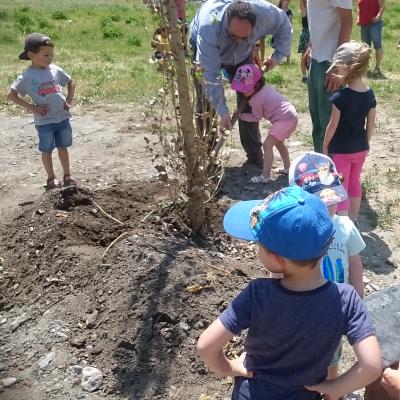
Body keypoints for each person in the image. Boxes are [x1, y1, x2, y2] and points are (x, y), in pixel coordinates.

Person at [197, 185, 381, 400]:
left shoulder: (258, 294)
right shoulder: (346, 300)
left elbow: (206, 346)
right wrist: (336, 388)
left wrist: (227, 368)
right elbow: (371, 364)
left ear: (276, 259)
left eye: (259, 245)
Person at [289, 152, 366, 382]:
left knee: (332, 356)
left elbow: (355, 267)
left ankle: (332, 390)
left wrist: (357, 302)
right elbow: (280, 270)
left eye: (331, 201)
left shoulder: (345, 227)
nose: (327, 209)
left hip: (335, 309)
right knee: (300, 352)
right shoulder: (294, 233)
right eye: (318, 203)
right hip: (300, 308)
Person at [189, 0, 293, 167]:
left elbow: (285, 26)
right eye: (233, 36)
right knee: (206, 102)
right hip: (207, 52)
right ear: (226, 23)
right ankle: (207, 156)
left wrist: (277, 56)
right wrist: (223, 112)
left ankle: (254, 153)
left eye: (244, 37)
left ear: (255, 25)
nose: (237, 40)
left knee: (251, 98)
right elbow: (210, 76)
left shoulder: (264, 14)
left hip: (244, 55)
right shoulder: (209, 27)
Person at [7, 33, 76, 189]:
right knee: (47, 149)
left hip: (62, 118)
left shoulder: (55, 70)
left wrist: (69, 99)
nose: (50, 57)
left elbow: (71, 82)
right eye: (46, 55)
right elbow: (11, 95)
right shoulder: (27, 76)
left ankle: (67, 175)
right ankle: (51, 178)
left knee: (63, 147)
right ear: (31, 55)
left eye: (52, 54)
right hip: (45, 122)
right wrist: (33, 108)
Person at [322, 42, 376, 223]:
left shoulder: (340, 97)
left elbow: (332, 125)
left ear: (347, 68)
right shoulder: (370, 95)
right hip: (360, 148)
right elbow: (371, 123)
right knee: (354, 182)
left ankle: (342, 223)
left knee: (341, 185)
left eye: (338, 67)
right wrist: (366, 144)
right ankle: (352, 221)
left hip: (342, 150)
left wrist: (325, 145)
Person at [232, 63, 297, 183]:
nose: (243, 91)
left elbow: (256, 117)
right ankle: (288, 168)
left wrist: (242, 116)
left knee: (267, 145)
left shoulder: (256, 100)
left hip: (284, 119)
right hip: (290, 115)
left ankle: (265, 176)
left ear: (257, 84)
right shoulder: (265, 89)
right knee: (279, 143)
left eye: (246, 89)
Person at [307, 0, 353, 153]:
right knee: (317, 121)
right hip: (316, 59)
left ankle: (331, 170)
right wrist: (311, 46)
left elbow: (347, 21)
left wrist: (338, 64)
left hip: (329, 63)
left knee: (330, 123)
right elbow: (318, 16)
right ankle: (320, 163)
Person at [356, 0, 385, 77]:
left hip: (375, 23)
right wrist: (358, 17)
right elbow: (359, 7)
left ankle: (377, 68)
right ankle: (365, 66)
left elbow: (382, 6)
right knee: (365, 46)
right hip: (364, 23)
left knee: (377, 44)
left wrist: (378, 17)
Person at [298, 0, 310, 83]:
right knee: (303, 56)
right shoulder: (304, 11)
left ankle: (310, 75)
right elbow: (301, 4)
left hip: (314, 35)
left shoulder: (315, 11)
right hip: (306, 35)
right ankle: (304, 76)